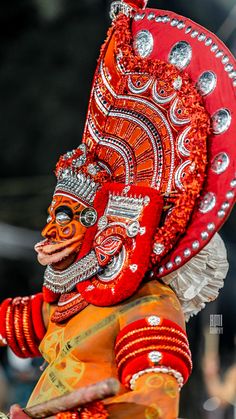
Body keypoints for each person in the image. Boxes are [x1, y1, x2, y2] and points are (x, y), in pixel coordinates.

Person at [0, 1, 235, 417]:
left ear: (111, 227)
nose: (49, 231)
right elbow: (22, 320)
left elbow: (154, 404)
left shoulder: (150, 307)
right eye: (54, 214)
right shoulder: (78, 300)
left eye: (69, 217)